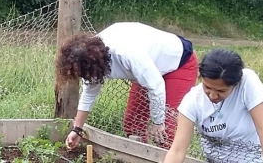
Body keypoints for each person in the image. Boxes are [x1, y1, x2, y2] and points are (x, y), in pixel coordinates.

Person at [59, 22, 198, 149]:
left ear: (95, 64)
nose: (88, 78)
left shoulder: (126, 54)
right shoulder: (88, 57)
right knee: (133, 124)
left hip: (178, 64)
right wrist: (77, 129)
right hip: (149, 69)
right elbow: (89, 93)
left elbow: (156, 86)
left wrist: (158, 122)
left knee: (166, 130)